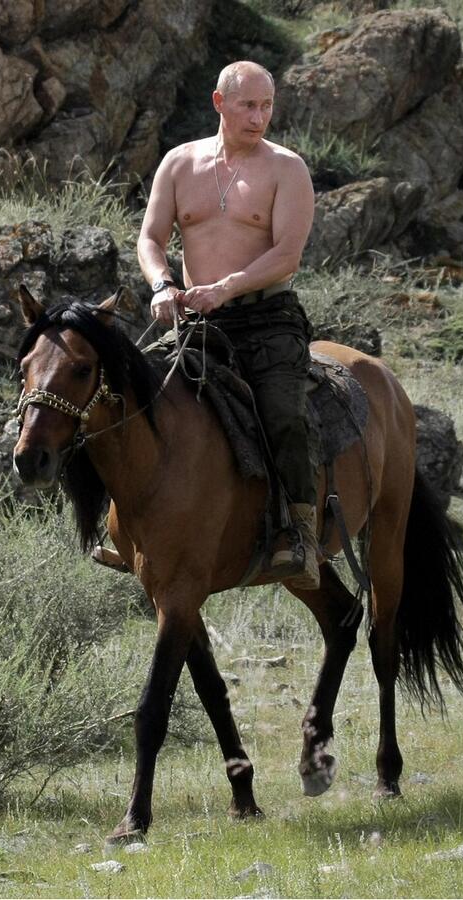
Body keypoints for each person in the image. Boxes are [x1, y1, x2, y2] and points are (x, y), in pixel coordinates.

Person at [137, 59, 320, 588]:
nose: (259, 118)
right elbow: (150, 238)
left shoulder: (287, 168)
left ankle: (301, 533)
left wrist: (226, 287)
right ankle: (123, 526)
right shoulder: (179, 163)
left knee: (284, 414)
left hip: (267, 319)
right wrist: (162, 285)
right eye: (248, 106)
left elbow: (287, 255)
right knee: (129, 396)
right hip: (198, 323)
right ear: (219, 103)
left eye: (267, 107)